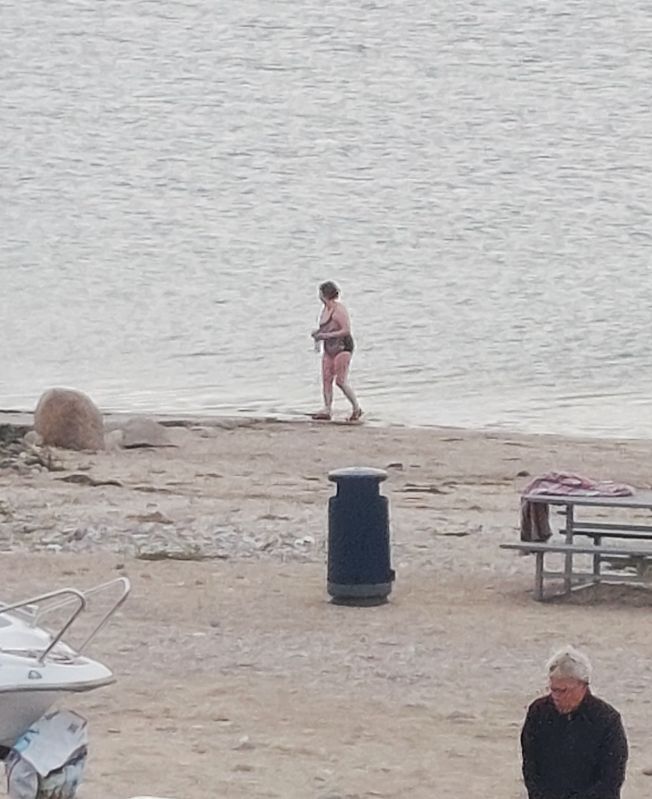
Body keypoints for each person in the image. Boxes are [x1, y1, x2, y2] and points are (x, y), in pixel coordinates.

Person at [521, 646, 628, 799]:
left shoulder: (607, 719)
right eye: (553, 689)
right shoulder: (538, 712)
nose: (556, 696)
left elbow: (611, 779)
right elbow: (530, 767)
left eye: (563, 690)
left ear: (583, 686)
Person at [310, 281, 362, 422]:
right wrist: (318, 333)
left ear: (325, 294)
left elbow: (346, 330)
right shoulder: (325, 309)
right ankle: (327, 409)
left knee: (340, 381)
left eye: (320, 293)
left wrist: (326, 336)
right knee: (326, 378)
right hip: (329, 348)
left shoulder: (339, 310)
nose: (319, 295)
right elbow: (327, 328)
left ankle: (356, 408)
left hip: (342, 347)